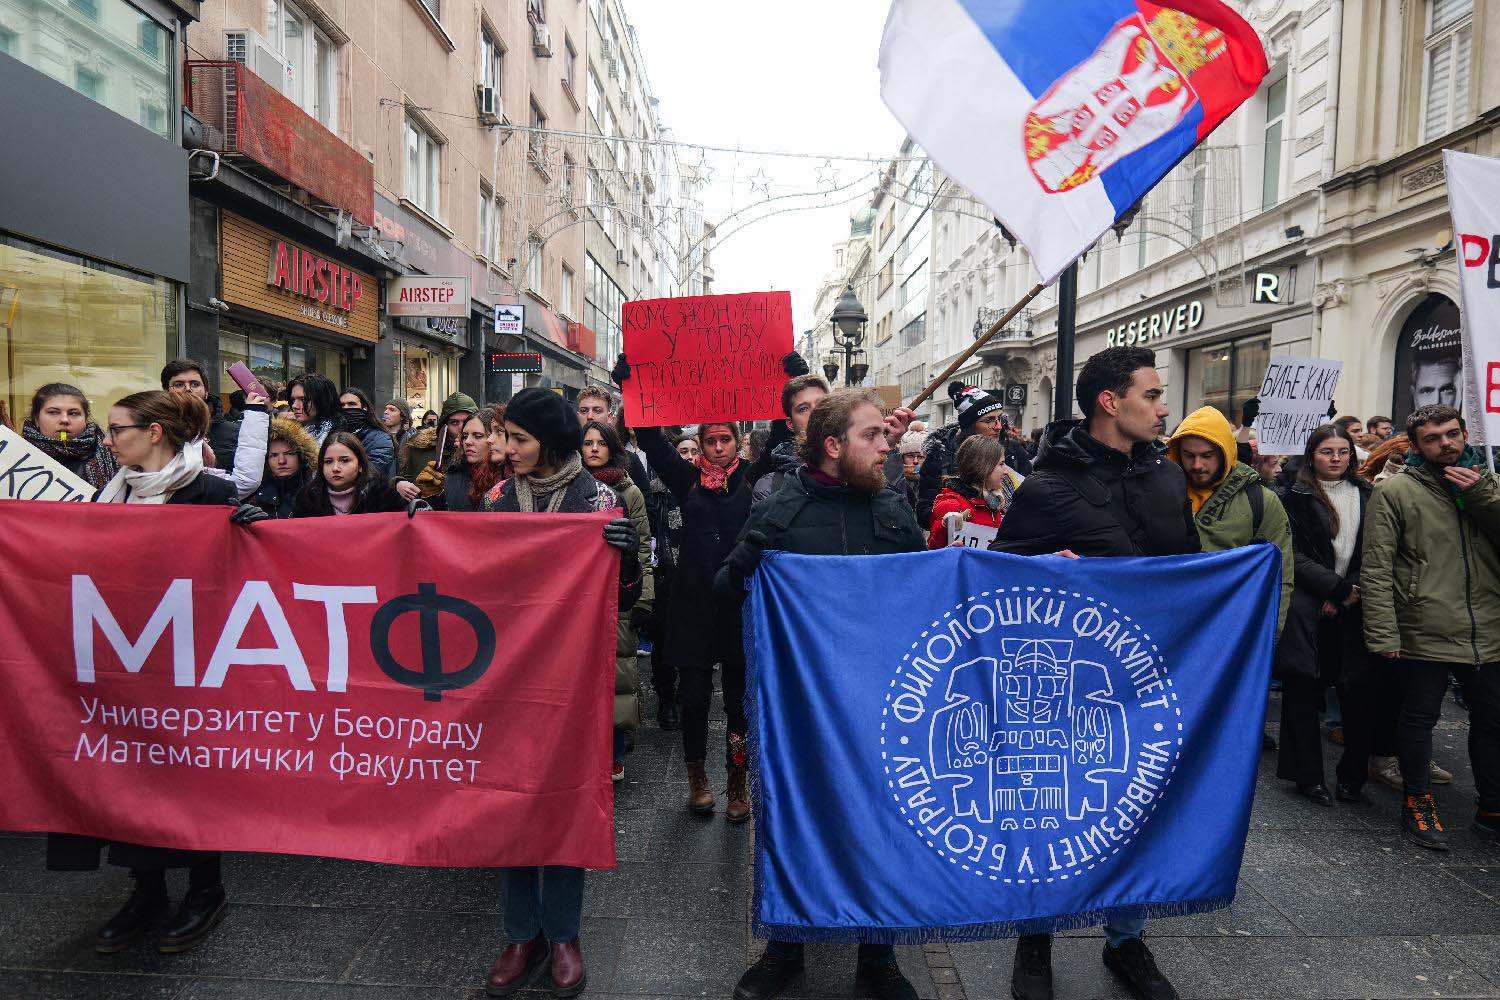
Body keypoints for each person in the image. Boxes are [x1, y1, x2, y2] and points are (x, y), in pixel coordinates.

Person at [992, 346, 1197, 1000]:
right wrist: (1048, 569)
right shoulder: (1048, 488)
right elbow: (1001, 579)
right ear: (1111, 402)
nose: (1163, 408)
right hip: (1065, 685)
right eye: (1151, 395)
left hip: (1151, 679)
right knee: (1049, 811)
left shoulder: (1167, 478)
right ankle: (1035, 939)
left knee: (1141, 807)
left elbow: (1190, 568)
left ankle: (1126, 940)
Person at [717, 388, 922, 1000]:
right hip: (802, 710)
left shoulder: (891, 508)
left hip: (880, 704)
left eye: (884, 435)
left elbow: (924, 590)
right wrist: (753, 557)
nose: (887, 446)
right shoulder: (784, 507)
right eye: (872, 436)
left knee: (880, 824)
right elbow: (725, 587)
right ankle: (785, 948)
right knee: (794, 821)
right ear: (833, 446)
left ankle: (878, 956)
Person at [49, 389, 251, 956]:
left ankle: (206, 890)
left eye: (118, 430)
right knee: (133, 775)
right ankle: (147, 892)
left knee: (190, 777)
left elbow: (248, 575)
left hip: (191, 662)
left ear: (154, 433)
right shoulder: (111, 495)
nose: (108, 440)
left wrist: (256, 531)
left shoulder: (211, 492)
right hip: (125, 660)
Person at [482, 388, 640, 1000]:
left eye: (517, 439)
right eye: (506, 437)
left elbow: (623, 598)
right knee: (510, 802)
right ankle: (521, 934)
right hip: (507, 677)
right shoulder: (497, 499)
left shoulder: (599, 500)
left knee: (567, 800)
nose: (506, 449)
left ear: (548, 442)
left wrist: (627, 557)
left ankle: (564, 933)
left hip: (573, 680)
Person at [616, 355, 758, 822]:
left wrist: (788, 380)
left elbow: (783, 431)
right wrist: (633, 387)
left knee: (737, 704)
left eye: (725, 440)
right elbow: (651, 440)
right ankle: (698, 779)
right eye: (710, 440)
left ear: (737, 441)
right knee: (694, 700)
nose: (716, 448)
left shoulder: (748, 477)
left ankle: (737, 781)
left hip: (738, 607)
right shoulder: (686, 479)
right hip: (693, 608)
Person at [1362, 404, 1500, 850]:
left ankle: (1492, 808)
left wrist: (1482, 496)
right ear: (1417, 447)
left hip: (1487, 628)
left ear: (1465, 434)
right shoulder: (1396, 491)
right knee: (1420, 720)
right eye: (1433, 438)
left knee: (1492, 720)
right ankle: (1418, 802)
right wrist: (1383, 634)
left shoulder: (1489, 482)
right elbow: (1377, 568)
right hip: (1424, 625)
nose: (1446, 444)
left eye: (1452, 434)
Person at [1271, 424, 1370, 807]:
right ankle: (1307, 776)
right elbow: (1289, 551)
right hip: (1307, 603)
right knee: (1302, 690)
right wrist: (1333, 589)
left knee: (1357, 694)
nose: (1336, 459)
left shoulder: (1367, 493)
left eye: (1343, 452)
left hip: (1355, 603)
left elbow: (1375, 549)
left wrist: (1349, 590)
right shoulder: (1292, 496)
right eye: (1327, 451)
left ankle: (1353, 777)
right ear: (1312, 455)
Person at [1166, 406, 1294, 632]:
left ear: (1225, 451)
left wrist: (1267, 639)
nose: (1197, 465)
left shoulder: (1261, 500)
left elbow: (1280, 575)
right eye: (1189, 455)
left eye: (1207, 455)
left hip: (1231, 628)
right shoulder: (1161, 492)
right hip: (1169, 624)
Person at [581, 418, 655, 780]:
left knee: (619, 677)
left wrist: (644, 598)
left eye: (601, 443)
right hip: (582, 596)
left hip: (619, 592)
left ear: (613, 448)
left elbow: (642, 546)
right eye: (588, 443)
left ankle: (616, 750)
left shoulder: (629, 492)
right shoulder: (573, 488)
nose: (594, 449)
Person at [917, 381, 1031, 526]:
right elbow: (924, 512)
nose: (998, 426)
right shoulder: (940, 455)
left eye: (1000, 419)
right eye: (989, 420)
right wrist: (951, 515)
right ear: (970, 424)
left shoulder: (1012, 451)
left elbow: (1031, 494)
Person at [926, 435, 1023, 548]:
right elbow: (935, 550)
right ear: (983, 466)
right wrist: (944, 527)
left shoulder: (994, 502)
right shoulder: (952, 505)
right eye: (1001, 464)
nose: (1006, 471)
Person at [291, 432, 414, 517]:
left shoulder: (383, 497)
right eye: (328, 462)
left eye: (344, 460)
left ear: (360, 465)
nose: (335, 468)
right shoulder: (306, 500)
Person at [21, 383, 119, 489]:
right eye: (53, 412)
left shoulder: (114, 453)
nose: (64, 420)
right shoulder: (16, 456)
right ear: (37, 419)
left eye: (73, 413)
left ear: (86, 419)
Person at [752, 373, 831, 503]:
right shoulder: (770, 488)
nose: (815, 412)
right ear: (790, 424)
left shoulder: (856, 471)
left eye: (821, 404)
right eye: (803, 409)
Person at [394, 391, 477, 502]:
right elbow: (408, 484)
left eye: (467, 421)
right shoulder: (422, 449)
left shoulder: (487, 449)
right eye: (454, 422)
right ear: (444, 426)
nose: (462, 428)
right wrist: (398, 483)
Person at [161, 359, 240, 473]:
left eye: (195, 384)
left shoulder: (233, 432)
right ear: (166, 391)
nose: (188, 389)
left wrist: (212, 466)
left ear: (206, 391)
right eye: (179, 385)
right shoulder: (155, 430)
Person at [576, 385, 650, 495]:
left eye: (597, 410)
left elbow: (646, 504)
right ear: (578, 416)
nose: (590, 416)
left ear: (610, 417)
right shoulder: (565, 459)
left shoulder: (630, 461)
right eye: (584, 411)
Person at [440, 407, 503, 512]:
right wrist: (431, 498)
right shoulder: (451, 476)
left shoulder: (509, 477)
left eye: (477, 436)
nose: (467, 442)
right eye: (465, 436)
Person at [338, 387, 396, 478]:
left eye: (351, 404)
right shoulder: (334, 434)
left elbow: (373, 472)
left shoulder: (380, 438)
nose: (345, 408)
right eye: (342, 405)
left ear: (364, 408)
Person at [286, 372, 341, 445]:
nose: (294, 405)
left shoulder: (339, 438)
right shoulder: (289, 431)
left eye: (303, 400)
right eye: (293, 400)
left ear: (322, 401)